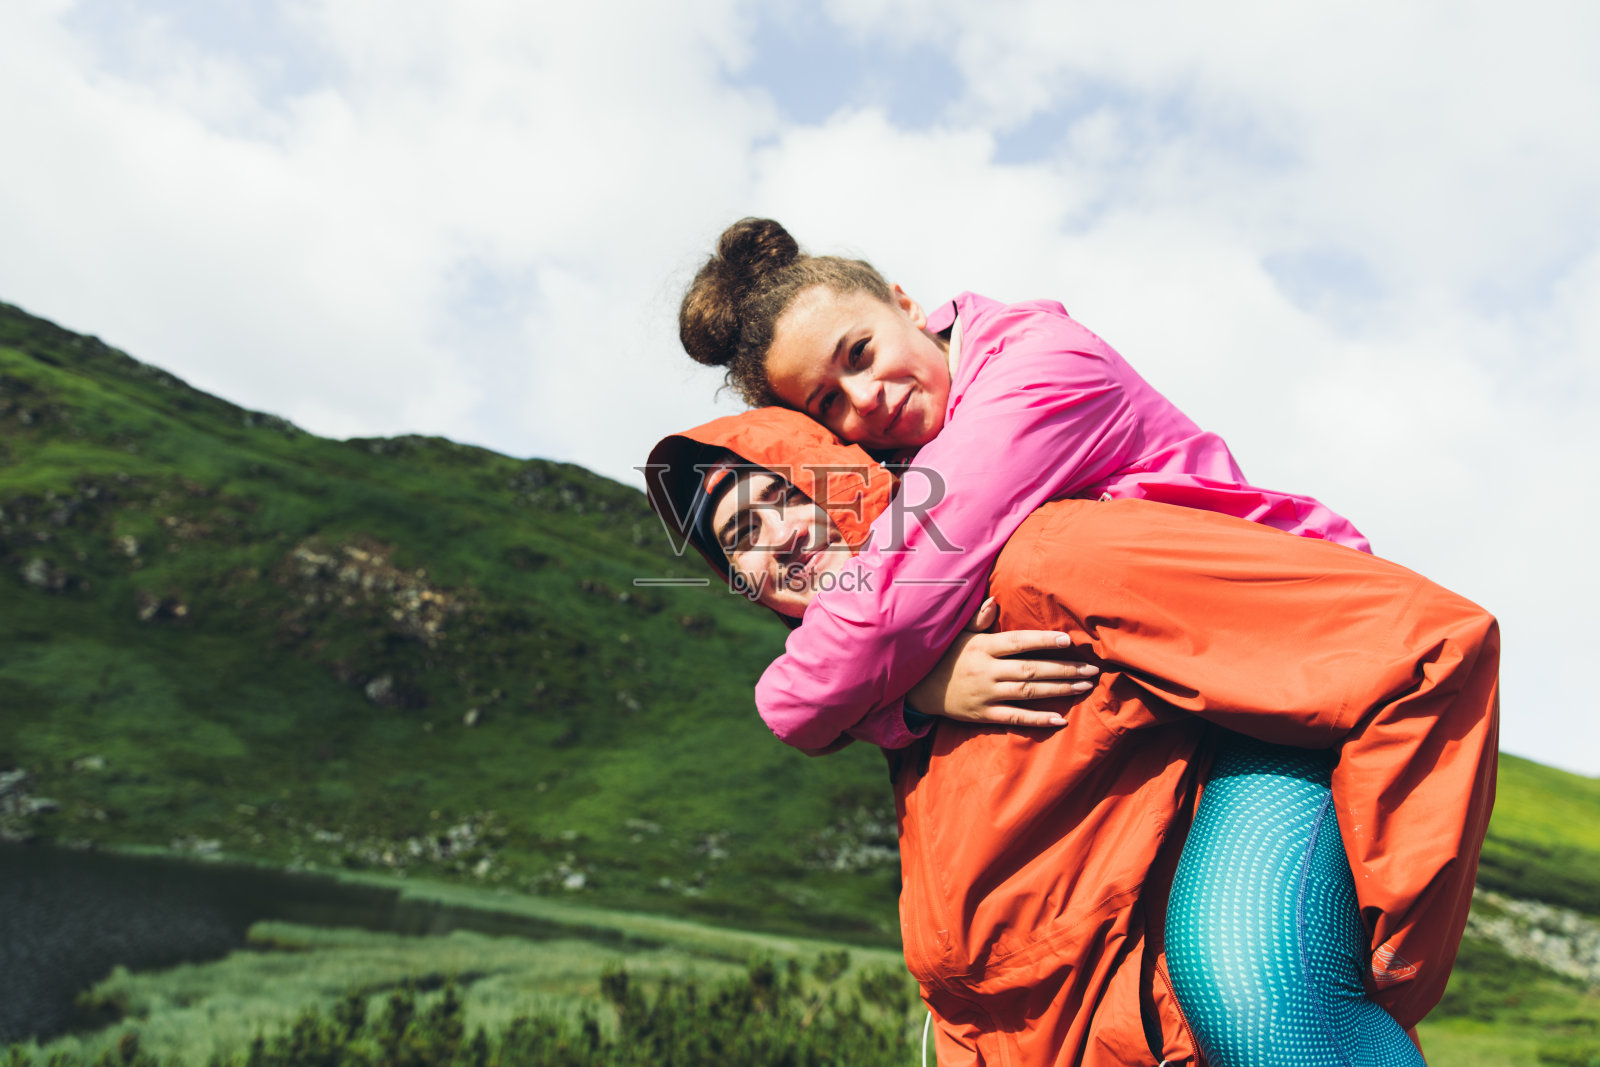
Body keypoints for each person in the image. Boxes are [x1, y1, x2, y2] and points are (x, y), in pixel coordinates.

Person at [645, 407, 1499, 1067]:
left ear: (847, 476)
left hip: (1178, 1024)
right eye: (742, 538)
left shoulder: (1042, 557)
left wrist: (1394, 928)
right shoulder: (886, 705)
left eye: (789, 492)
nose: (782, 534)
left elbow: (1408, 640)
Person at [678, 217, 1372, 756]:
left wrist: (900, 685)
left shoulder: (1037, 375)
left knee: (1244, 938)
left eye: (860, 353)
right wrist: (910, 702)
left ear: (906, 303)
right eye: (828, 402)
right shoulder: (914, 463)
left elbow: (863, 638)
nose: (866, 398)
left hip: (1303, 647)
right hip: (1214, 689)